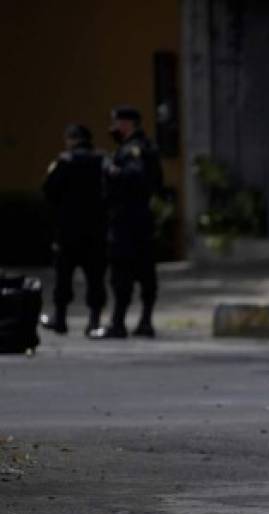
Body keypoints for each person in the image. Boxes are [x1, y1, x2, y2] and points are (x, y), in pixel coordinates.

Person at [90, 106, 163, 339]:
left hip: (127, 221)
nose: (112, 128)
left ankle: (119, 323)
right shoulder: (147, 147)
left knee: (122, 271)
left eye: (115, 123)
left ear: (127, 124)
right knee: (145, 271)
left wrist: (110, 170)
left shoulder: (133, 149)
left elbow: (134, 175)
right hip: (141, 219)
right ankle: (144, 321)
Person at [40, 124, 107, 335]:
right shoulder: (102, 160)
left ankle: (60, 320)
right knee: (96, 277)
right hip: (96, 229)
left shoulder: (65, 161)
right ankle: (94, 321)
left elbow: (48, 190)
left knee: (63, 277)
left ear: (71, 139)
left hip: (68, 231)